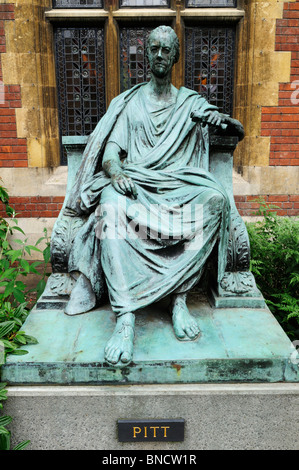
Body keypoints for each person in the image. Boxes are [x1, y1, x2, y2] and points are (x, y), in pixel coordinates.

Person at [62, 25, 244, 366]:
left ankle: (178, 299)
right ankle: (126, 316)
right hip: (139, 185)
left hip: (178, 186)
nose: (159, 55)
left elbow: (238, 130)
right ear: (146, 55)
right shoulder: (130, 103)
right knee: (110, 206)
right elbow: (111, 154)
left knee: (215, 202)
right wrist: (117, 174)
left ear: (175, 57)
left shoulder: (191, 103)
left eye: (166, 50)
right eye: (154, 49)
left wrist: (221, 122)